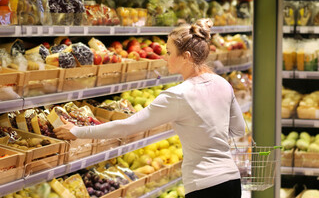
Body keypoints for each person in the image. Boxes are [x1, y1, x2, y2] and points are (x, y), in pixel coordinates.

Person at [54, 18, 245, 198]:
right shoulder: (222, 84)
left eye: (169, 52)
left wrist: (77, 131)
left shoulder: (177, 96)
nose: (164, 57)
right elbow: (238, 129)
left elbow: (127, 127)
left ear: (186, 56)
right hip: (232, 180)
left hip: (203, 185)